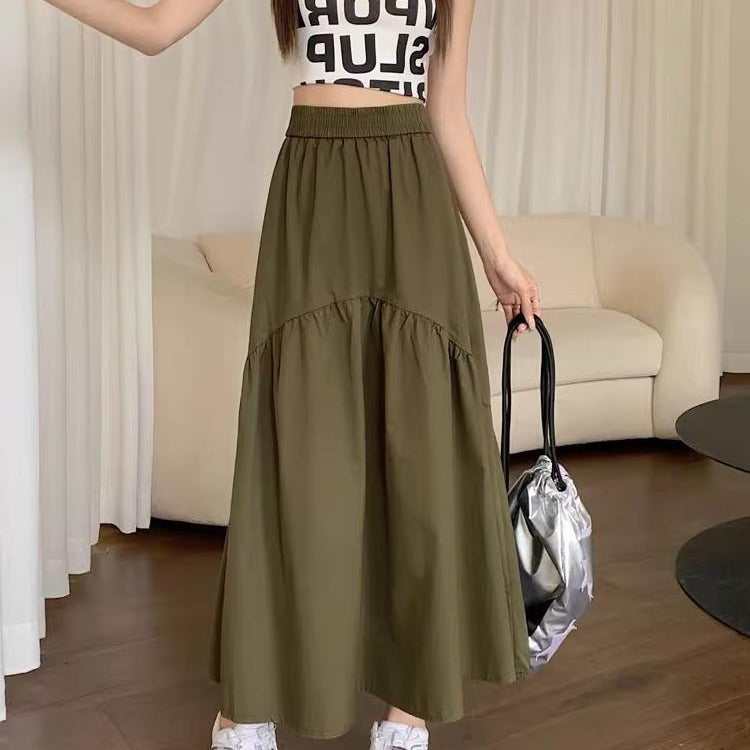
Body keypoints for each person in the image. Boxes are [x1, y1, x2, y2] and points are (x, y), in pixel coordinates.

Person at [43, 1, 542, 748]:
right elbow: (155, 28)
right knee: (300, 450)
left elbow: (447, 111)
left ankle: (408, 713)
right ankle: (247, 705)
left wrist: (497, 256)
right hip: (315, 187)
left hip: (414, 194)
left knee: (423, 449)